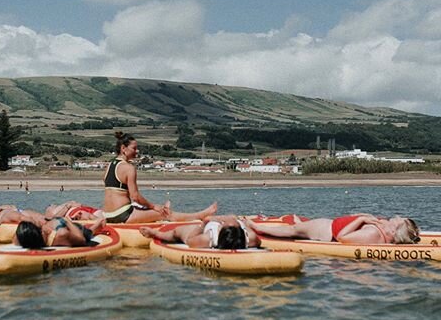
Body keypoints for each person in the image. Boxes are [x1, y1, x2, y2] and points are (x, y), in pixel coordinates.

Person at [103, 131, 217, 224]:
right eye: (134, 148)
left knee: (145, 209)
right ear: (123, 148)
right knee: (164, 213)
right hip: (122, 215)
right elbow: (135, 196)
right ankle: (198, 216)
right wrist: (154, 206)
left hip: (108, 214)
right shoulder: (128, 168)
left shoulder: (109, 165)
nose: (137, 151)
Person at [249, 214, 420, 244]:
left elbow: (343, 238)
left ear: (395, 229)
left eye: (398, 220)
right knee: (297, 226)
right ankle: (299, 221)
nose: (395, 218)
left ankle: (257, 227)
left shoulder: (374, 233)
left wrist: (361, 219)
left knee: (292, 230)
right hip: (327, 226)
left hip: (325, 230)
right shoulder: (382, 229)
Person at [140, 215, 260, 250]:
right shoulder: (252, 239)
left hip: (208, 226)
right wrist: (242, 222)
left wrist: (203, 224)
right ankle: (155, 233)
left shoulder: (208, 239)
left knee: (178, 232)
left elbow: (190, 240)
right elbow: (249, 227)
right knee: (233, 217)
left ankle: (156, 234)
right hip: (234, 225)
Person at [15, 216, 106, 249]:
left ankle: (97, 223)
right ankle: (98, 223)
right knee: (87, 232)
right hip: (72, 229)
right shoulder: (61, 234)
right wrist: (66, 221)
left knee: (86, 231)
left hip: (66, 227)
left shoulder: (32, 237)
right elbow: (81, 239)